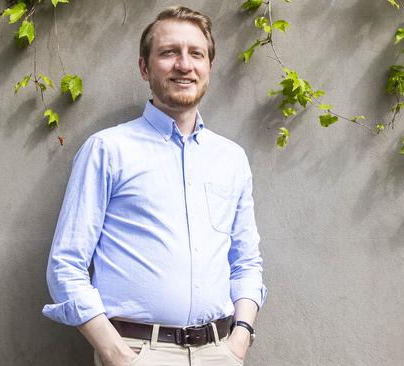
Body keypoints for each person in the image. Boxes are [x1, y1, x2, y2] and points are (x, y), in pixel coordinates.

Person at [42, 6, 267, 366]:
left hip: (220, 352)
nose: (184, 64)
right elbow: (66, 265)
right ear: (144, 68)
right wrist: (116, 354)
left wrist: (240, 339)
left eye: (196, 53)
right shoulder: (108, 150)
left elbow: (246, 262)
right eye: (168, 52)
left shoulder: (231, 158)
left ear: (208, 66)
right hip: (139, 353)